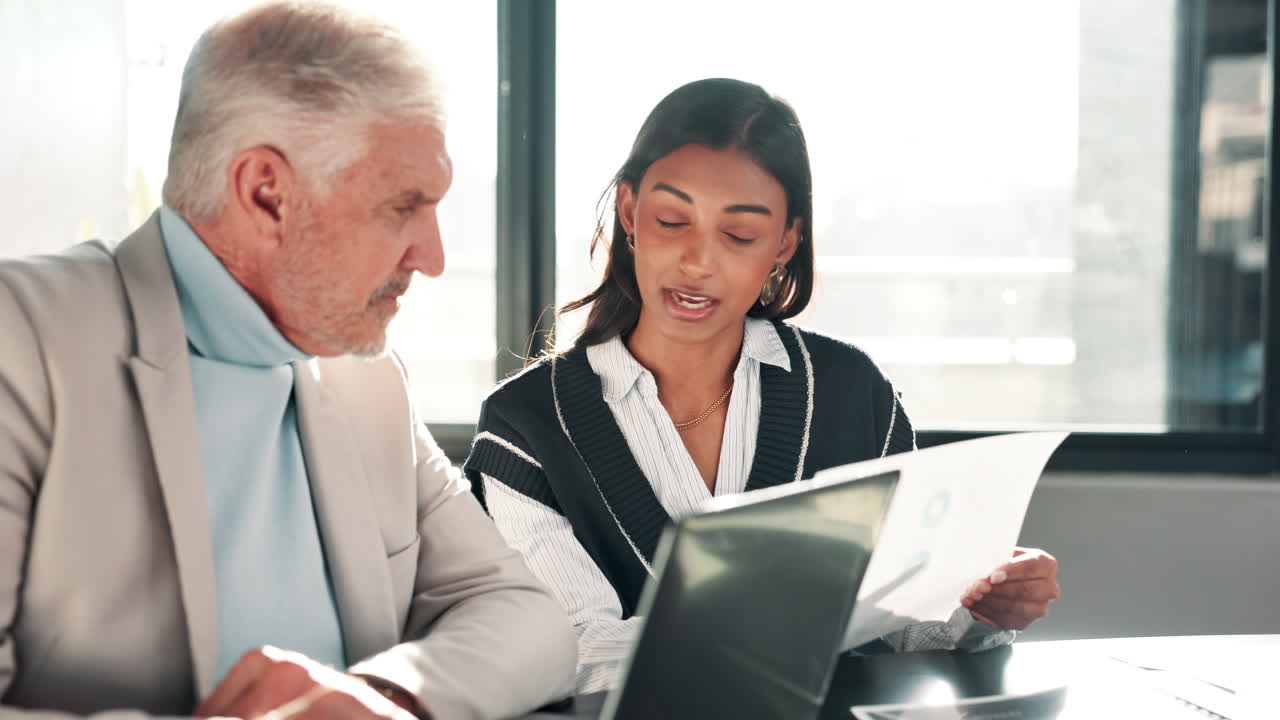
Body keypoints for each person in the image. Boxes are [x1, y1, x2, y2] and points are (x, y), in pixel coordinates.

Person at [0, 3, 576, 719]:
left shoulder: (370, 379)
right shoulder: (19, 340)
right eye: (403, 207)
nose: (432, 258)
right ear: (266, 193)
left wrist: (379, 696)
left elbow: (530, 619)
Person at [463, 77, 1061, 693]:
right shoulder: (526, 426)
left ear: (785, 242)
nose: (698, 262)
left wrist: (981, 607)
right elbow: (571, 649)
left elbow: (911, 623)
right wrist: (784, 634)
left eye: (740, 235)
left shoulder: (850, 392)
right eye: (672, 220)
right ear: (629, 212)